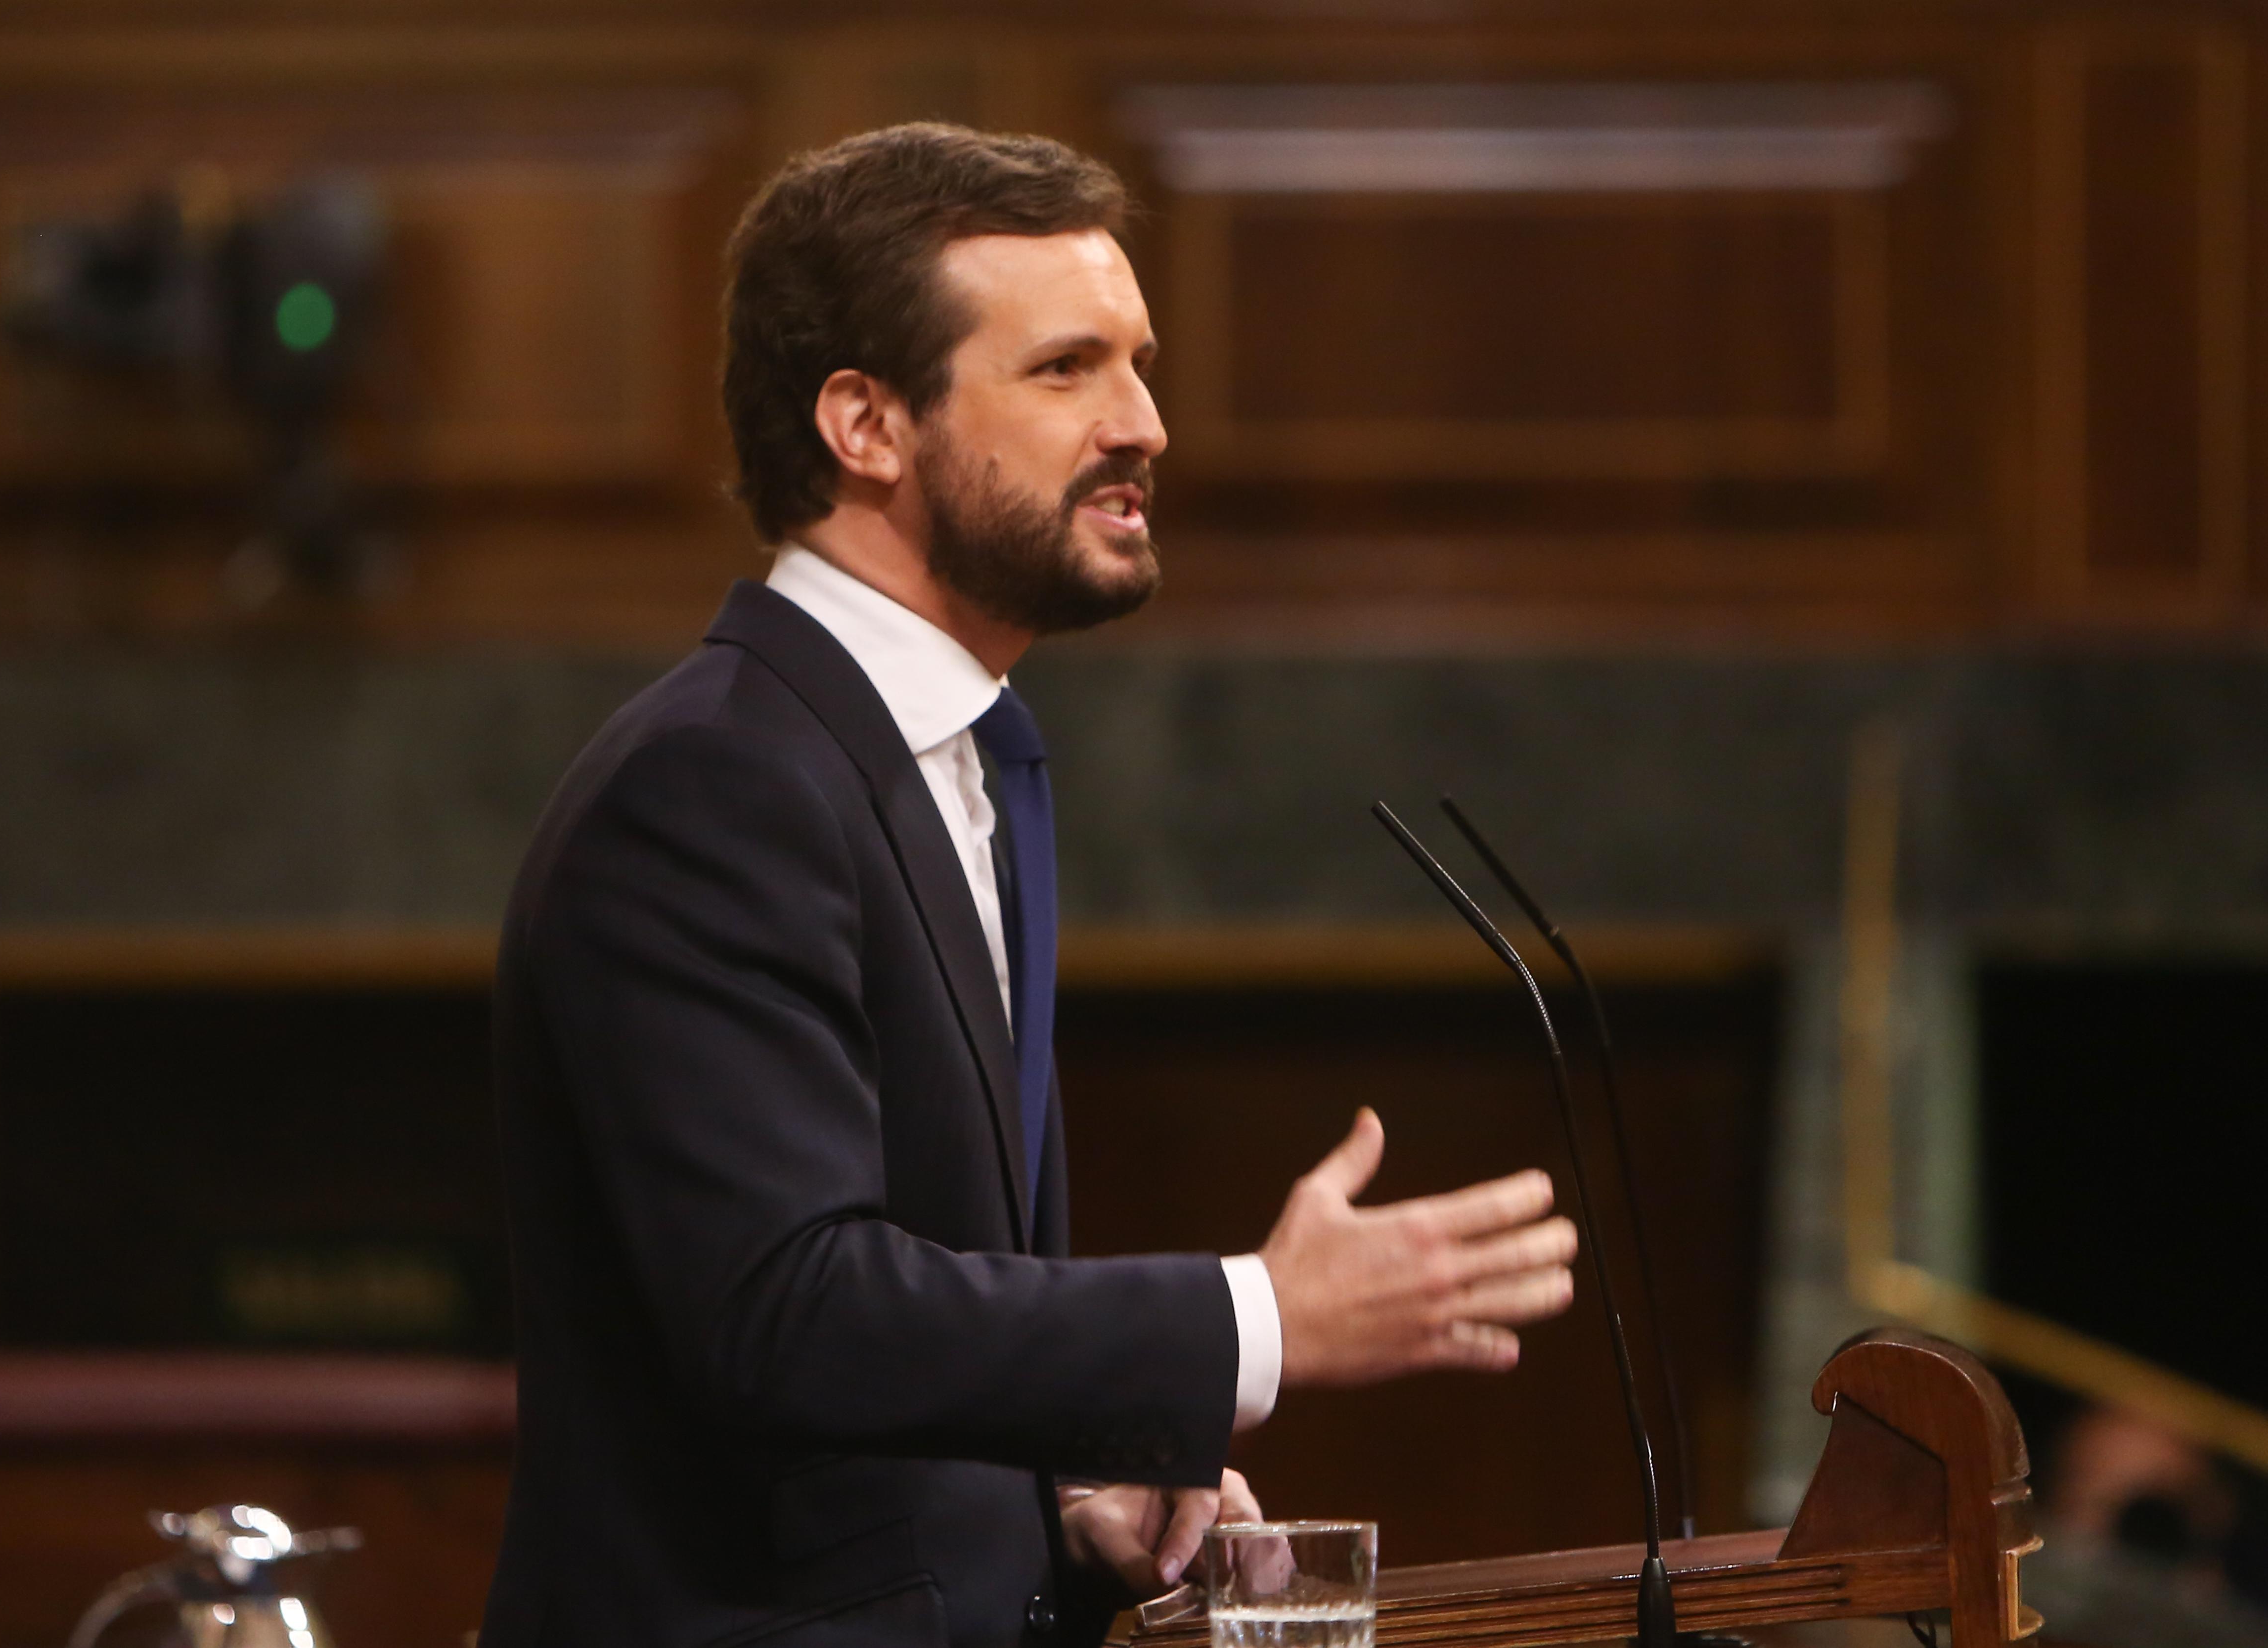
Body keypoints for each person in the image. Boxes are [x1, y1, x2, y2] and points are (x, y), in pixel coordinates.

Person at [479, 123, 1579, 1648]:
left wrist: (1057, 1489)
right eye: (1068, 370)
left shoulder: (979, 761)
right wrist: (1258, 1315)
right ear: (868, 423)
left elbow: (906, 1320)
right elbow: (783, 1310)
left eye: (1137, 363)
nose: (1147, 424)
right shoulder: (715, 785)